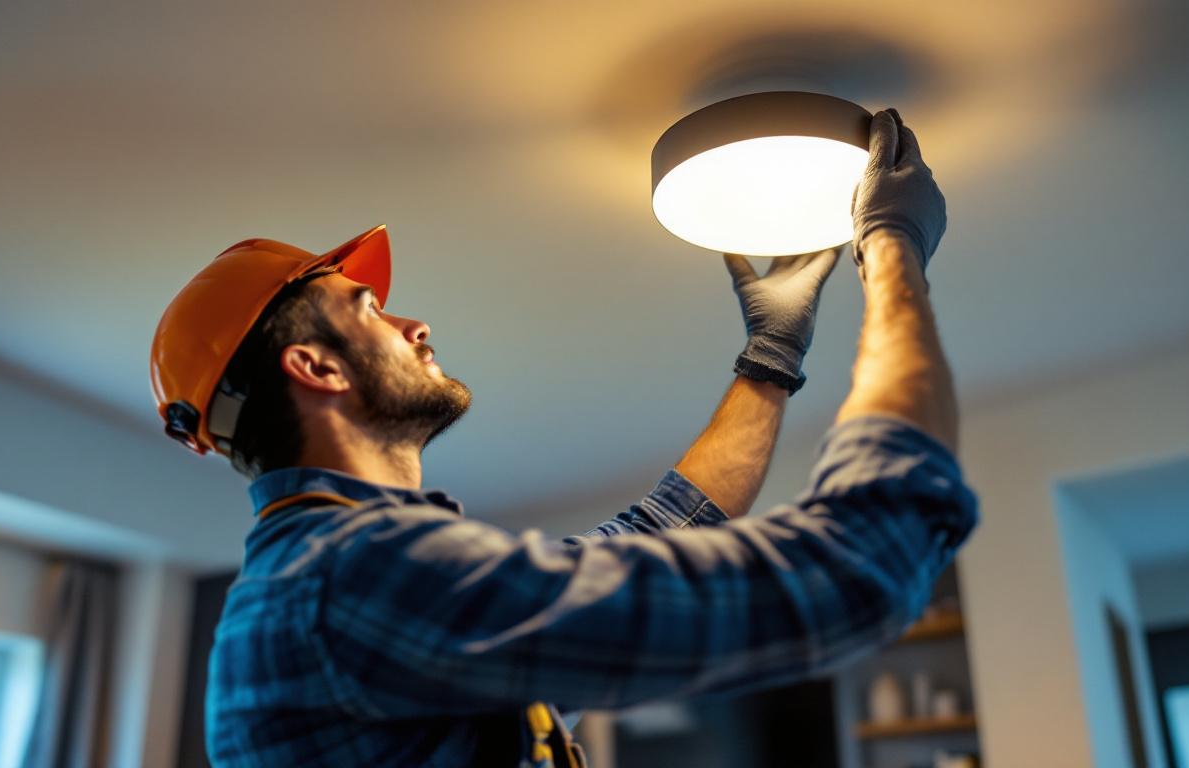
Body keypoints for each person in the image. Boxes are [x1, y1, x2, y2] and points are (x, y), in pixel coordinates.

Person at [149, 107, 977, 767]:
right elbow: (857, 568)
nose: (415, 323)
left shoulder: (336, 574)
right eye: (368, 311)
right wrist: (893, 254)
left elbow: (654, 537)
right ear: (316, 368)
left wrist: (770, 361)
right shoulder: (352, 578)